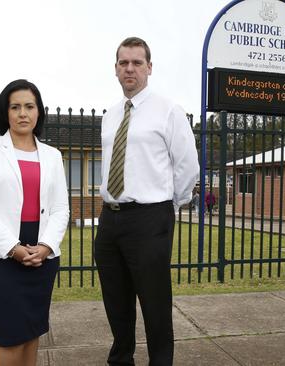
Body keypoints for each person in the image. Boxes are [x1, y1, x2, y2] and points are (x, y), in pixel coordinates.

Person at [94, 37, 199, 365]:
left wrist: (171, 206)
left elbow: (187, 166)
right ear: (115, 69)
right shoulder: (110, 115)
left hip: (150, 217)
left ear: (149, 68)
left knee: (154, 304)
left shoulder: (168, 111)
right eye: (124, 63)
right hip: (110, 218)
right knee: (116, 301)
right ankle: (121, 359)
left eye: (137, 63)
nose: (130, 69)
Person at [0, 79, 69, 366]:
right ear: (5, 112)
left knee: (31, 333)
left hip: (42, 256)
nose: (23, 113)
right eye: (15, 107)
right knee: (10, 336)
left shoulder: (53, 156)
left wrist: (47, 246)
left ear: (38, 112)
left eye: (29, 106)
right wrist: (14, 248)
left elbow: (61, 209)